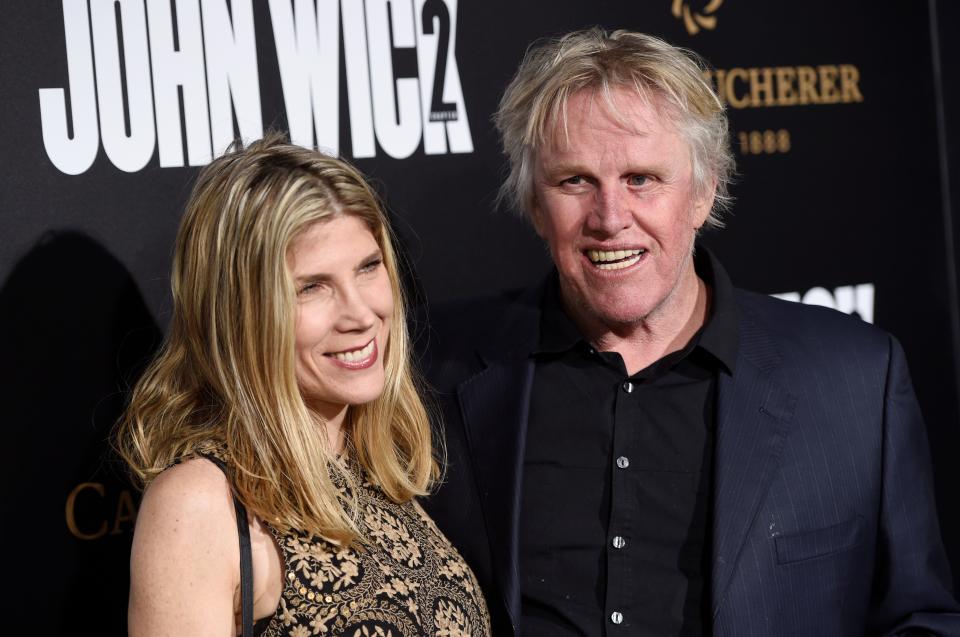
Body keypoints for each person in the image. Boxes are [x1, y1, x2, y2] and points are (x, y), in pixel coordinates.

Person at [418, 27, 960, 636]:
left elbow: (920, 618)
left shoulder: (856, 381)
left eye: (642, 179)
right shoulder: (436, 373)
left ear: (705, 191)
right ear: (536, 205)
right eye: (574, 182)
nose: (611, 218)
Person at [116, 134, 491, 637]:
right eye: (311, 287)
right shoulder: (202, 502)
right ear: (240, 315)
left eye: (368, 267)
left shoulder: (377, 467)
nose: (361, 314)